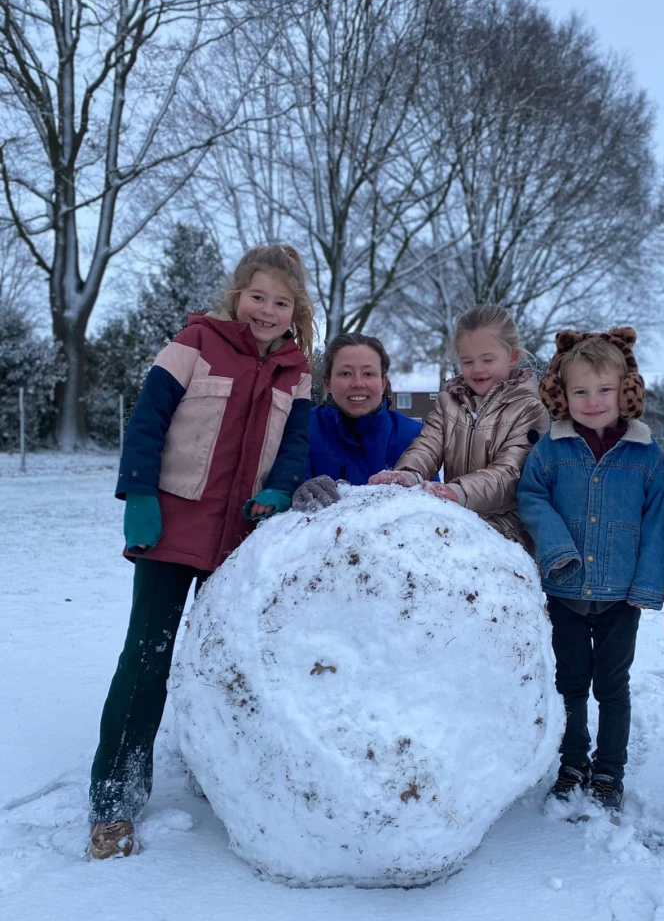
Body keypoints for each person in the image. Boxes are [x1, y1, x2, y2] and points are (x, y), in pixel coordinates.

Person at [88, 245, 314, 860]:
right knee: (146, 658)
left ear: (295, 311)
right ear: (237, 295)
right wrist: (138, 493)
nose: (267, 310)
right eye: (258, 296)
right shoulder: (192, 344)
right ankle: (113, 802)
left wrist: (280, 487)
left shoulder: (298, 372)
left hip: (242, 539)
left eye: (280, 301)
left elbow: (295, 444)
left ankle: (226, 779)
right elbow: (147, 421)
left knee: (225, 666)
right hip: (174, 527)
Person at [517, 329, 664, 811]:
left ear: (626, 390)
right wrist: (556, 548)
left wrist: (646, 587)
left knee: (612, 686)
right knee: (570, 682)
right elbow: (531, 496)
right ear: (562, 394)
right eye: (580, 390)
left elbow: (658, 521)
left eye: (604, 390)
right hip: (564, 591)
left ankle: (609, 769)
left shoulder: (646, 455)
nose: (593, 401)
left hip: (620, 597)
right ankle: (572, 760)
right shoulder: (551, 450)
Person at [367, 304, 549, 551]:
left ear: (512, 357)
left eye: (488, 359)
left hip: (507, 533)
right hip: (455, 523)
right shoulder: (449, 401)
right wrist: (410, 473)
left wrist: (458, 492)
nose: (477, 369)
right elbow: (428, 444)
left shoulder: (529, 408)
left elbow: (511, 473)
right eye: (467, 361)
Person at [292, 333, 431, 512]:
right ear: (327, 383)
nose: (358, 383)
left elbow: (433, 507)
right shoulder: (302, 428)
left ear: (383, 383)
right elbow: (283, 485)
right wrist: (296, 490)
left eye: (368, 373)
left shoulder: (414, 436)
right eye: (345, 373)